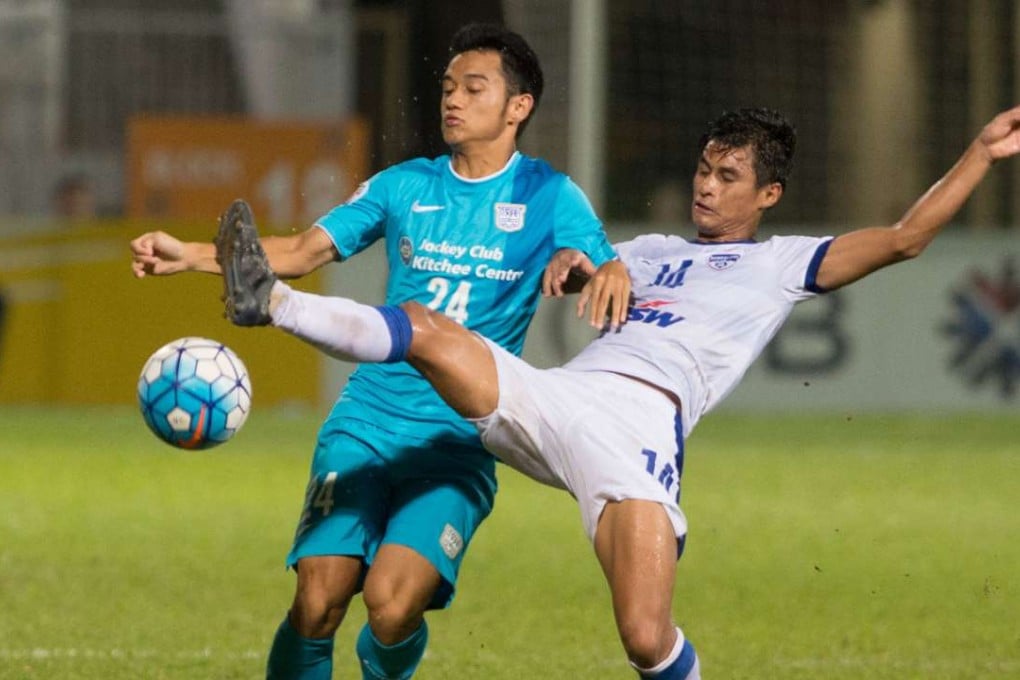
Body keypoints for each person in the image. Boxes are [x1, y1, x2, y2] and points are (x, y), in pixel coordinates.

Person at [213, 104, 1020, 679]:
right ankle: (272, 302)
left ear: (766, 195)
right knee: (426, 325)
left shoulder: (781, 264)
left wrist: (980, 154)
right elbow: (581, 260)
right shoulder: (654, 246)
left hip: (639, 434)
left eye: (728, 175)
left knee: (644, 638)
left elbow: (909, 239)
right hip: (560, 398)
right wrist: (577, 265)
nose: (707, 185)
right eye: (704, 168)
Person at [130, 23, 616, 680]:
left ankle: (384, 661)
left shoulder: (549, 196)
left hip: (458, 439)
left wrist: (584, 266)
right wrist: (188, 255)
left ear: (518, 106)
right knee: (318, 600)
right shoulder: (404, 185)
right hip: (366, 422)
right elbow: (302, 253)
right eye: (448, 87)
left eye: (474, 88)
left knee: (389, 609)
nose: (453, 100)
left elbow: (606, 268)